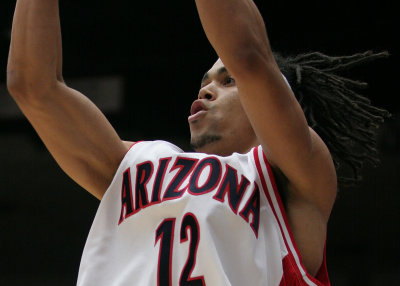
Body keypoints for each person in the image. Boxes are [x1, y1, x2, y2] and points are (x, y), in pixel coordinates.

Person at [6, 0, 389, 285]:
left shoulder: (294, 176)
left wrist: (247, 69)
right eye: (205, 81)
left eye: (227, 81)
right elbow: (33, 88)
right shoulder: (140, 162)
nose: (206, 89)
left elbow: (248, 54)